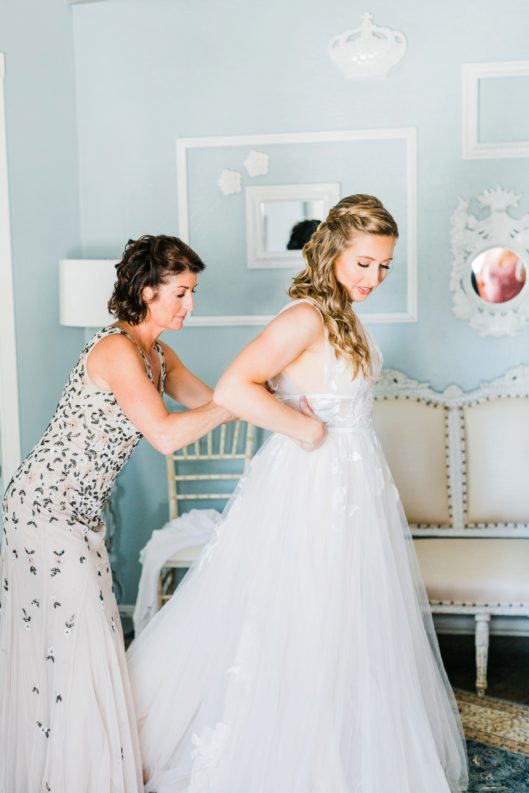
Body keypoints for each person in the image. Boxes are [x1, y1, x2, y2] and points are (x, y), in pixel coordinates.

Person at [127, 197, 469, 793]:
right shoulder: (306, 316)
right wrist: (304, 426)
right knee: (306, 610)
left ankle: (341, 743)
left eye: (384, 267)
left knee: (348, 617)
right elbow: (236, 385)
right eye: (364, 263)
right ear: (335, 251)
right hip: (312, 482)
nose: (374, 278)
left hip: (356, 482)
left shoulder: (346, 316)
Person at [0, 235, 231, 793]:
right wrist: (236, 401)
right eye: (180, 293)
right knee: (82, 638)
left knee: (86, 637)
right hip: (43, 510)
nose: (189, 306)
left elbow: (209, 400)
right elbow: (168, 435)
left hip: (81, 516)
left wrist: (271, 394)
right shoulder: (116, 352)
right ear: (147, 290)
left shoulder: (160, 354)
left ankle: (74, 771)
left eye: (192, 293)